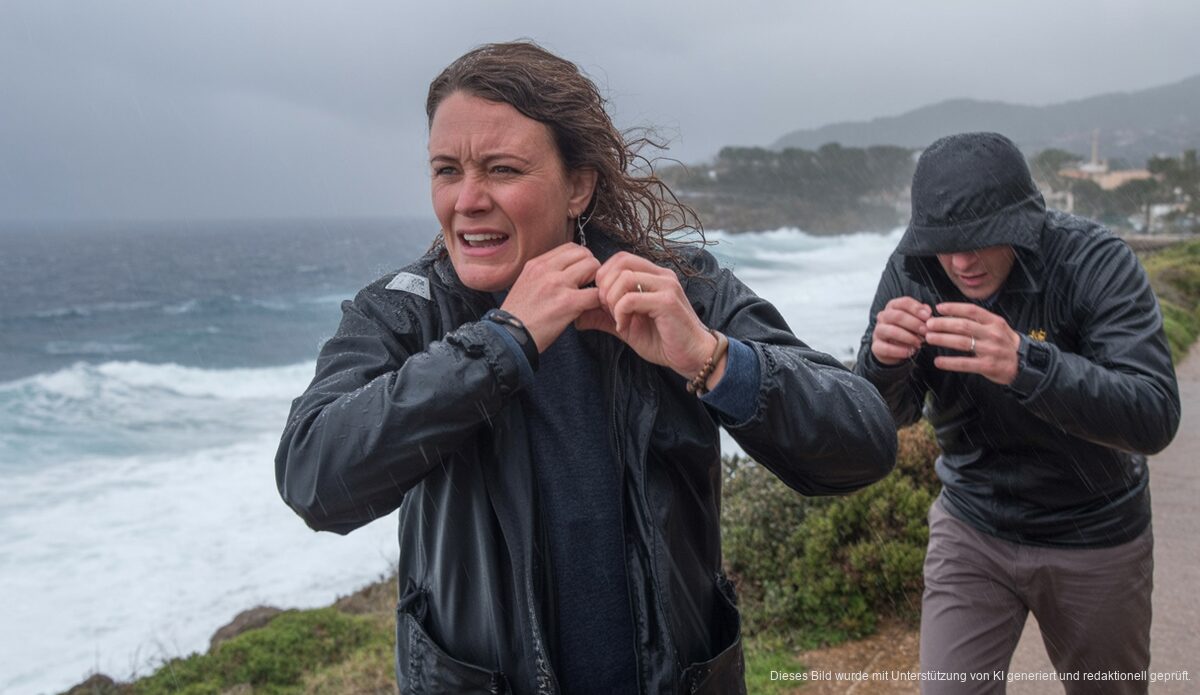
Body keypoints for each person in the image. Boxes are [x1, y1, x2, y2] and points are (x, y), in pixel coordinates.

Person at [275, 41, 897, 695]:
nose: (467, 199)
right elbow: (313, 476)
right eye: (446, 170)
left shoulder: (678, 291)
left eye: (502, 169)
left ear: (578, 185)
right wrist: (502, 343)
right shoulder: (407, 311)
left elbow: (863, 441)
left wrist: (710, 358)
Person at [854, 132, 1181, 694]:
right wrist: (882, 366)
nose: (961, 261)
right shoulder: (912, 270)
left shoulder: (1095, 261)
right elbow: (885, 418)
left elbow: (1154, 415)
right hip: (972, 524)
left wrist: (1026, 364)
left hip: (1096, 534)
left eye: (979, 240)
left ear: (1022, 224)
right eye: (944, 243)